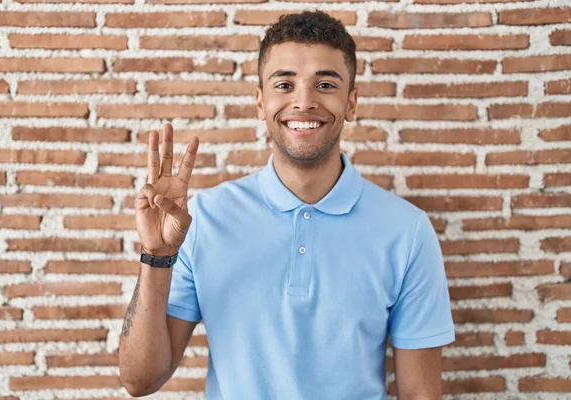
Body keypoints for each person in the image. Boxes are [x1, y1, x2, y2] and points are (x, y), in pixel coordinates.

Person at [119, 10, 455, 400]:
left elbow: (420, 394)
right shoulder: (204, 219)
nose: (305, 102)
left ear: (351, 102)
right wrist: (157, 255)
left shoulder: (407, 230)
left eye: (326, 83)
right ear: (261, 102)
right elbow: (139, 380)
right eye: (284, 83)